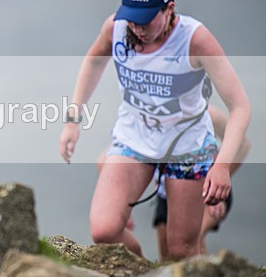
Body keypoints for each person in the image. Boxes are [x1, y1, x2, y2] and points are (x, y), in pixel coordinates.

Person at [59, 0, 250, 260]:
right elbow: (94, 61)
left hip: (186, 148)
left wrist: (222, 167)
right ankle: (141, 274)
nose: (137, 28)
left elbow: (240, 108)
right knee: (104, 230)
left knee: (180, 250)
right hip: (134, 140)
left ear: (169, 8)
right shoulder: (117, 28)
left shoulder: (195, 40)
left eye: (145, 20)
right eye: (132, 19)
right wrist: (74, 119)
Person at [96, 105, 251, 260]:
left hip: (204, 186)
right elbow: (105, 160)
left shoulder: (207, 114)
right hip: (166, 193)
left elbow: (243, 144)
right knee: (168, 256)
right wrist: (119, 206)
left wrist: (218, 175)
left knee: (190, 244)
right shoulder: (146, 118)